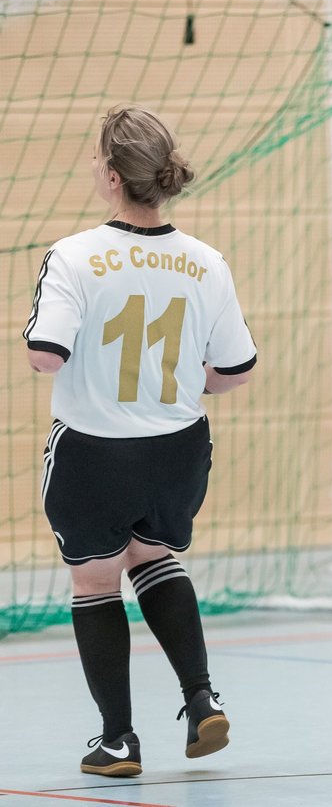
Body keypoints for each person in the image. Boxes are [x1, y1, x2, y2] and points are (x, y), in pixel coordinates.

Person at [23, 105, 257, 777]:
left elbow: (46, 354)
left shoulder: (73, 255)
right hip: (177, 449)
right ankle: (201, 695)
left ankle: (119, 739)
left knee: (95, 580)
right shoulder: (206, 262)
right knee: (151, 557)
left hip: (95, 449)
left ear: (112, 177)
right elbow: (235, 371)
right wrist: (186, 378)